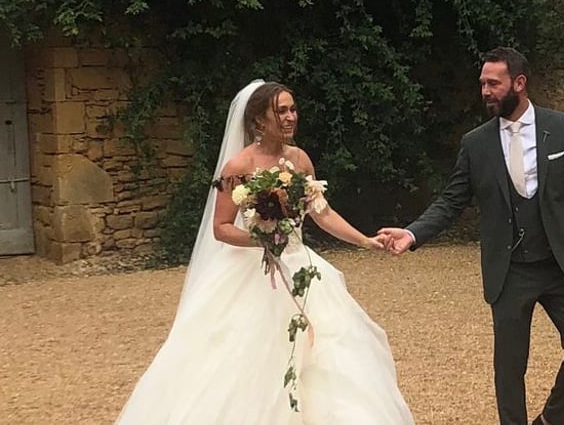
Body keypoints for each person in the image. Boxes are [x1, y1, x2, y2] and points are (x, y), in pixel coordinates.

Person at [116, 79, 414, 425]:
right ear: (259, 120)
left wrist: (364, 241)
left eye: (293, 109)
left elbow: (322, 212)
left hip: (301, 265)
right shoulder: (237, 167)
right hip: (251, 271)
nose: (290, 117)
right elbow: (221, 227)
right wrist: (263, 240)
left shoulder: (299, 159)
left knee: (330, 352)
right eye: (281, 111)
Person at [379, 47, 564, 425]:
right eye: (483, 84)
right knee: (510, 369)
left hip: (559, 264)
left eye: (494, 83)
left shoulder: (563, 129)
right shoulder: (476, 144)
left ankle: (551, 420)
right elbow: (451, 201)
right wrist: (412, 234)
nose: (485, 91)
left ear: (519, 83)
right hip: (509, 270)